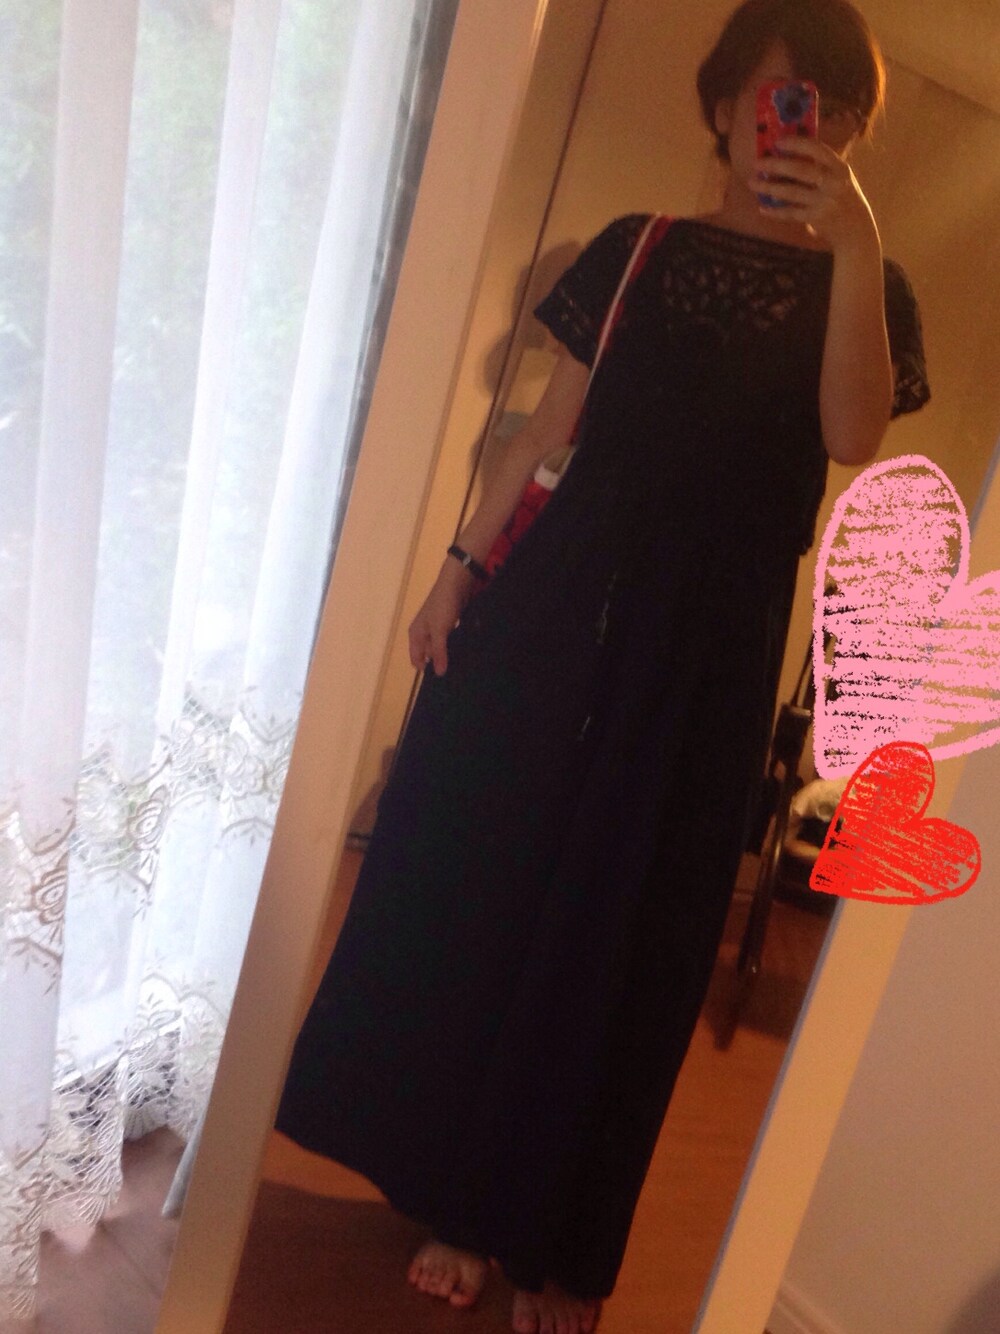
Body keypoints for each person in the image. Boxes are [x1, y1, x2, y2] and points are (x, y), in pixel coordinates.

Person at [275, 1, 930, 1330]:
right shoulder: (640, 248)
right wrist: (456, 571)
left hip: (710, 651)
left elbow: (853, 432)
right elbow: (544, 430)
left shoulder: (874, 285)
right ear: (724, 107)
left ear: (852, 132)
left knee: (631, 939)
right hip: (561, 609)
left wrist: (858, 240)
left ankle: (560, 1242)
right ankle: (461, 1201)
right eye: (771, 98)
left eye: (821, 108)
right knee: (491, 887)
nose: (788, 127)